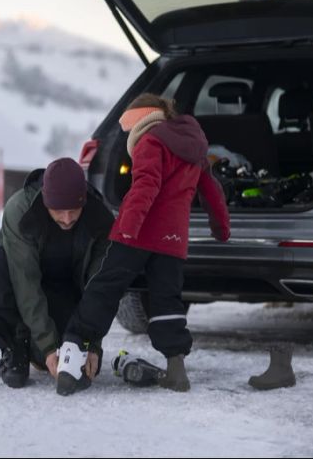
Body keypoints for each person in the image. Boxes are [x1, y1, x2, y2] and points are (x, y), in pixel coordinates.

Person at [55, 93, 231, 396]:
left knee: (105, 288)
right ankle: (176, 369)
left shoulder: (152, 141)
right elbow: (211, 190)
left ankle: (72, 361)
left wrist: (128, 227)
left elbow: (146, 185)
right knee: (167, 300)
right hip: (173, 239)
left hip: (139, 233)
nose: (126, 133)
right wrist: (221, 227)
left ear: (140, 119)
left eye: (127, 126)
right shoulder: (193, 149)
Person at [0, 158, 114, 388]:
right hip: (19, 282)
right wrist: (49, 346)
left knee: (74, 361)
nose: (66, 219)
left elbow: (101, 287)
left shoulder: (101, 219)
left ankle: (42, 349)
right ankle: (14, 347)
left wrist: (90, 342)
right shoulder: (20, 209)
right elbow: (26, 282)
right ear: (45, 201)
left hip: (64, 291)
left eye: (74, 211)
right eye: (58, 211)